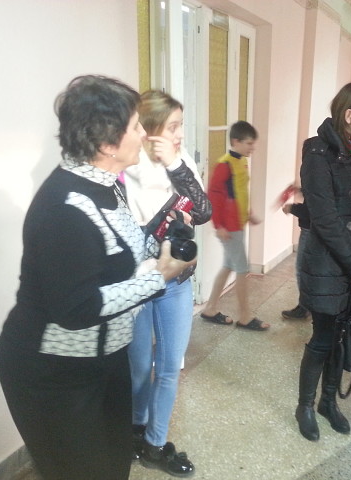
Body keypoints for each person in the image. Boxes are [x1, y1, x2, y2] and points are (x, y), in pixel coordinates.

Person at [0, 75, 194, 480]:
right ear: (107, 144)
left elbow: (119, 249)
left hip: (105, 358)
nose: (145, 135)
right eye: (136, 126)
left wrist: (161, 237)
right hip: (54, 372)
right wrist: (159, 278)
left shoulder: (105, 185)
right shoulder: (65, 207)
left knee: (113, 465)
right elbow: (77, 308)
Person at [123, 90, 211, 476]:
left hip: (176, 281)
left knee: (170, 365)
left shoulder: (181, 160)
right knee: (139, 367)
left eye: (180, 126)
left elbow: (203, 210)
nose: (180, 134)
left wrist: (175, 163)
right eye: (173, 127)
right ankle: (135, 432)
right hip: (137, 284)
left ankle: (156, 444)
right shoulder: (125, 168)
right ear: (149, 129)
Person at [296, 82, 351, 441]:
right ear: (349, 114)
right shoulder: (317, 153)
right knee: (323, 336)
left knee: (341, 335)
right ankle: (305, 405)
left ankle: (328, 402)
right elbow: (324, 219)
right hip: (326, 261)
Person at [201, 120, 270, 331]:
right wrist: (219, 225)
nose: (252, 147)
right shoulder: (224, 165)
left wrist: (248, 214)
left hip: (238, 224)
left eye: (253, 143)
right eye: (248, 143)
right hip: (229, 228)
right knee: (242, 269)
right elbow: (214, 197)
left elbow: (238, 192)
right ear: (235, 141)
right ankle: (245, 316)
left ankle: (210, 308)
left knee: (229, 266)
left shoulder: (241, 162)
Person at [281, 194, 311, 320]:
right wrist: (301, 190)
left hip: (311, 230)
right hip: (316, 230)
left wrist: (292, 208)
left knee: (302, 270)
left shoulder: (317, 180)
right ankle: (310, 307)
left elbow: (315, 208)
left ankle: (305, 308)